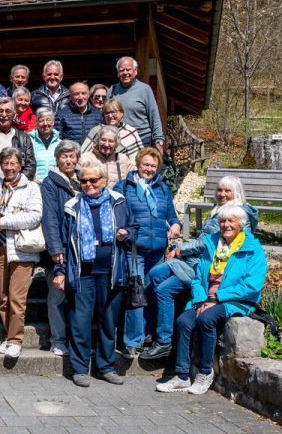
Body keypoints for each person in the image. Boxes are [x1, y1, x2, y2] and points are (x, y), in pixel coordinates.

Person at [141, 175, 259, 360]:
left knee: (165, 288)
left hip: (205, 267)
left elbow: (212, 245)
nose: (222, 194)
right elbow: (205, 240)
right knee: (155, 274)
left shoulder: (238, 214)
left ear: (236, 192)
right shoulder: (219, 210)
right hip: (195, 260)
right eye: (220, 190)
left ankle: (164, 341)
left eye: (227, 190)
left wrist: (181, 250)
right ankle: (155, 328)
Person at [156, 206, 266, 395]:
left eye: (231, 221)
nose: (226, 225)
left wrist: (217, 298)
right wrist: (200, 299)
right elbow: (199, 277)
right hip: (206, 297)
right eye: (223, 221)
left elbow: (252, 285)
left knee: (206, 320)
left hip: (235, 299)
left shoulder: (252, 249)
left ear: (241, 224)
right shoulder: (212, 243)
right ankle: (182, 375)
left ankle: (205, 373)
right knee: (183, 321)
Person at [55, 163, 137, 387]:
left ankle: (106, 367)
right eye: (84, 181)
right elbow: (63, 241)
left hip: (112, 271)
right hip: (83, 273)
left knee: (108, 321)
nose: (88, 184)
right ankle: (80, 369)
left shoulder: (118, 202)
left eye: (93, 180)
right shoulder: (72, 206)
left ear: (103, 181)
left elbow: (134, 228)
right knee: (80, 321)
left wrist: (126, 234)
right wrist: (60, 271)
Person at [114, 148, 181, 360]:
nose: (149, 169)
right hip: (134, 249)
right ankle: (132, 342)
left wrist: (176, 224)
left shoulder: (162, 188)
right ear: (138, 165)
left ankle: (148, 335)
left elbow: (171, 214)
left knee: (153, 292)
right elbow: (114, 213)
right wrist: (121, 230)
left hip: (158, 249)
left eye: (153, 165)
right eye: (146, 165)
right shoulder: (124, 187)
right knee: (136, 293)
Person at [0, 147, 43, 359]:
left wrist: (3, 222)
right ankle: (8, 337)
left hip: (21, 251)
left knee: (17, 298)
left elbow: (34, 217)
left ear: (20, 165)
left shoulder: (31, 188)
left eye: (13, 163)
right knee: (3, 298)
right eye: (5, 163)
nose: (9, 167)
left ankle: (16, 340)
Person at [40, 140, 82, 356]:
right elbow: (50, 219)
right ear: (57, 159)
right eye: (64, 156)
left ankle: (75, 340)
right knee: (57, 296)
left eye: (72, 156)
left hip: (79, 250)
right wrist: (55, 250)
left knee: (76, 297)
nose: (68, 160)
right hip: (59, 249)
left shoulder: (82, 181)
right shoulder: (50, 183)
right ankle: (57, 339)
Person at [108, 57, 165, 152]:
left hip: (143, 139)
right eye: (121, 70)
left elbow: (154, 115)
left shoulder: (145, 89)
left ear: (135, 71)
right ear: (118, 73)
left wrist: (158, 140)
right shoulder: (112, 90)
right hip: (119, 139)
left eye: (128, 69)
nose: (125, 73)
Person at [79, 125, 135, 190]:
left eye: (111, 141)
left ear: (116, 144)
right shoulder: (85, 158)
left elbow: (134, 178)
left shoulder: (123, 159)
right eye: (103, 140)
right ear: (98, 140)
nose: (106, 144)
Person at [29, 108, 61, 183]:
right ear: (36, 123)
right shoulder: (29, 141)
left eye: (48, 120)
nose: (45, 123)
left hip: (55, 185)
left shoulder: (60, 143)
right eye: (41, 121)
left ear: (53, 122)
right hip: (36, 183)